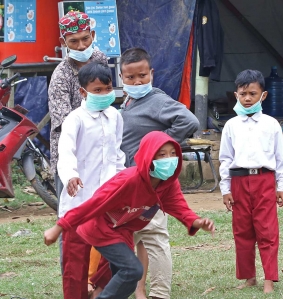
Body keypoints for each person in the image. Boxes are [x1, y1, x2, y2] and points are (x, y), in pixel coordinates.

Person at [44, 131, 215, 299]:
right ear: (149, 157)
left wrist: (198, 222)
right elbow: (93, 204)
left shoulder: (168, 184)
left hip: (121, 232)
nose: (169, 159)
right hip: (99, 228)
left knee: (126, 279)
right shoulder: (128, 180)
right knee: (132, 270)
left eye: (172, 154)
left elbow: (180, 207)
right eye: (162, 155)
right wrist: (59, 227)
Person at [118, 47, 200, 299]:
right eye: (130, 77)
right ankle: (140, 291)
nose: (136, 81)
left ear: (151, 73)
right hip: (131, 181)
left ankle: (160, 293)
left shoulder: (157, 100)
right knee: (139, 238)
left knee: (154, 237)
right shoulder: (129, 101)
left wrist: (157, 148)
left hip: (149, 182)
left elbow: (190, 121)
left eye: (142, 75)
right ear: (121, 77)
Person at [48, 12, 108, 292]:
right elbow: (64, 126)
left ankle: (99, 283)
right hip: (70, 158)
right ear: (64, 41)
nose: (82, 46)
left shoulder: (102, 60)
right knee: (71, 222)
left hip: (100, 155)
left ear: (93, 36)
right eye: (75, 41)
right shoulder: (60, 76)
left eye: (86, 39)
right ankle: (73, 285)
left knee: (104, 219)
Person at [56, 62, 125, 299]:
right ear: (83, 92)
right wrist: (70, 175)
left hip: (107, 199)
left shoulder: (115, 116)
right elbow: (65, 153)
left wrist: (122, 184)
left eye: (107, 88)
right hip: (79, 200)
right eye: (97, 90)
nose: (104, 94)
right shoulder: (74, 119)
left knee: (113, 254)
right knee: (76, 259)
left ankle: (99, 292)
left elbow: (117, 155)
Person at [219, 69, 283, 293]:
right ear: (236, 94)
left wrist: (281, 186)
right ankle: (249, 277)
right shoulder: (231, 126)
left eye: (252, 93)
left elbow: (281, 158)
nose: (247, 98)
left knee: (267, 230)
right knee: (242, 231)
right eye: (242, 94)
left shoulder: (271, 124)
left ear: (263, 95)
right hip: (238, 181)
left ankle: (270, 278)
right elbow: (225, 159)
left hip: (264, 180)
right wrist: (225, 189)